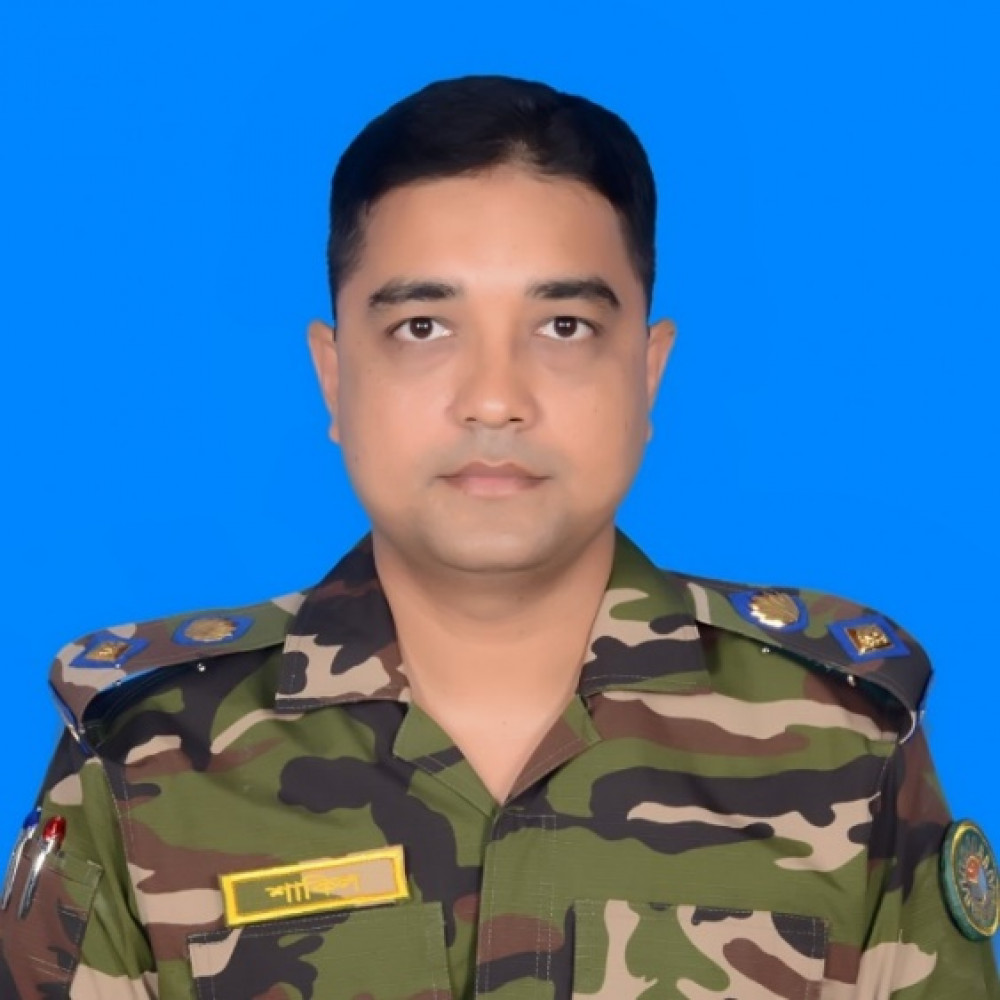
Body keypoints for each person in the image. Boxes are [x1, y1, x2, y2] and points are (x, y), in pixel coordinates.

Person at [0, 75, 996, 1000]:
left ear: (648, 373)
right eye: (422, 327)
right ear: (334, 376)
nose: (493, 398)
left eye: (563, 326)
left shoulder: (846, 734)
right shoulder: (145, 751)